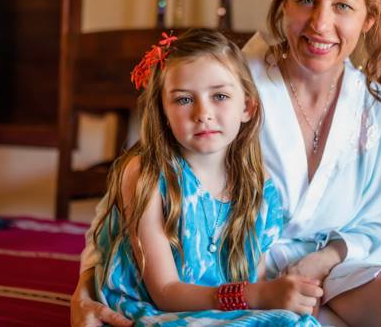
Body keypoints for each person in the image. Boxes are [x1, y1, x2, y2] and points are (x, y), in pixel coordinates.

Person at [72, 0, 381, 327]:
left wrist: (322, 261)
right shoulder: (229, 84)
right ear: (284, 2)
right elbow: (142, 186)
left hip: (329, 271)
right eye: (306, 0)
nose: (320, 23)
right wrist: (84, 293)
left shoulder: (374, 106)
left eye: (343, 6)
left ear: (369, 17)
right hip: (236, 274)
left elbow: (377, 223)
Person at [82, 28, 322, 326]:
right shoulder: (146, 174)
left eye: (220, 96)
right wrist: (256, 296)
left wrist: (275, 300)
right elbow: (165, 292)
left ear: (247, 107)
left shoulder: (257, 182)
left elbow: (255, 277)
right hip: (154, 309)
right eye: (184, 100)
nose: (203, 113)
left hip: (221, 309)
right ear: (163, 112)